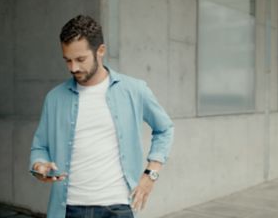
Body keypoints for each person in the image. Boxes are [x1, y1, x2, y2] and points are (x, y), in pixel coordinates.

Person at [29, 14, 174, 218]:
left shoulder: (134, 90)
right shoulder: (54, 98)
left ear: (101, 51)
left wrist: (151, 174)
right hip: (67, 209)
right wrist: (39, 165)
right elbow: (39, 146)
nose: (73, 68)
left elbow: (165, 128)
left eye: (80, 59)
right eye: (67, 60)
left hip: (119, 206)